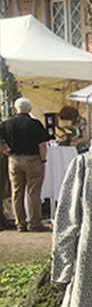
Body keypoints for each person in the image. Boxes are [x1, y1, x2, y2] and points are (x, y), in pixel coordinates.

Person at [0, 97, 51, 232]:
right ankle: (35, 223)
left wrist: (7, 152)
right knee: (33, 192)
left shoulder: (6, 124)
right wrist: (43, 160)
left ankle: (20, 223)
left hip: (14, 159)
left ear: (15, 109)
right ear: (30, 109)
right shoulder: (35, 124)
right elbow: (43, 145)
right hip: (32, 159)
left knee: (17, 193)